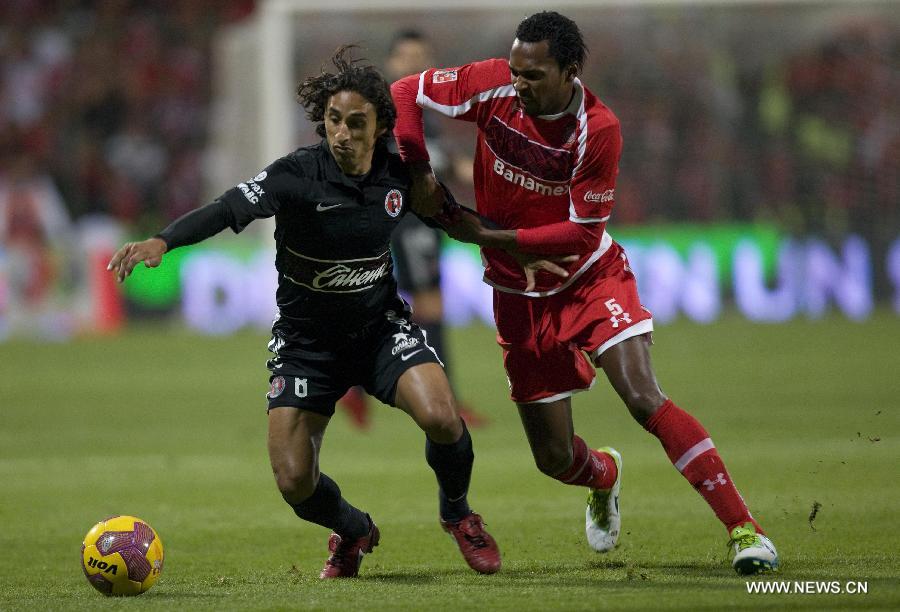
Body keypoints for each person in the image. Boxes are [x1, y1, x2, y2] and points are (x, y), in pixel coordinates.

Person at [391, 11, 779, 575]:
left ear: (570, 71)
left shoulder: (598, 129)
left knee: (644, 397)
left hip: (588, 280)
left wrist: (482, 233)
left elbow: (581, 234)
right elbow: (405, 91)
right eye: (516, 70)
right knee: (553, 459)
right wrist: (419, 169)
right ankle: (604, 475)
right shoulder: (493, 80)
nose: (518, 83)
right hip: (518, 298)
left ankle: (745, 529)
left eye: (533, 75)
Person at [107, 46, 501, 579]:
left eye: (355, 123)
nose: (341, 133)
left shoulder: (400, 175)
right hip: (305, 344)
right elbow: (227, 208)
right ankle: (354, 529)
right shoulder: (296, 175)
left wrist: (516, 244)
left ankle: (458, 514)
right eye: (333, 120)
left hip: (380, 331)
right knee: (294, 481)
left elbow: (452, 219)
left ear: (380, 125)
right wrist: (163, 241)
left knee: (441, 416)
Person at [337, 29, 487, 430]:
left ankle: (353, 386)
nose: (415, 64)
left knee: (382, 302)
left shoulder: (421, 110)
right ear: (391, 63)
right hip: (405, 217)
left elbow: (432, 159)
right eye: (406, 57)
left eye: (422, 56)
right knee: (429, 304)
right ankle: (445, 402)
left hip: (417, 215)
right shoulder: (385, 110)